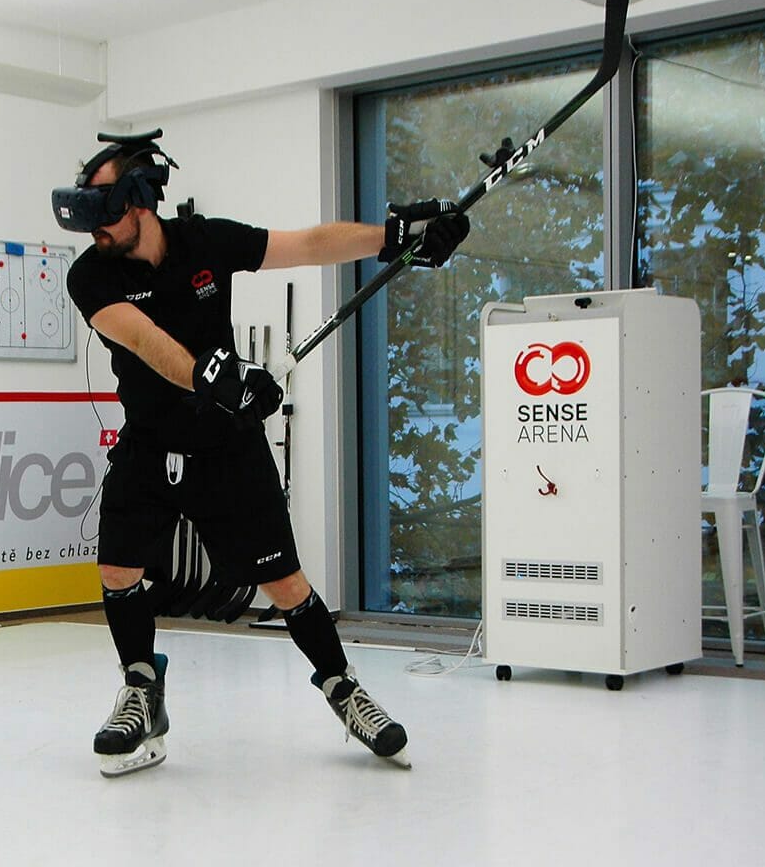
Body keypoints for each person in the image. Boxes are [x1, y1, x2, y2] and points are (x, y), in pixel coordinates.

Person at [51, 128, 469, 778]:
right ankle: (141, 689)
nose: (96, 228)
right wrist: (219, 378)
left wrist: (390, 239)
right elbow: (141, 339)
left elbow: (305, 244)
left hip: (228, 447)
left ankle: (343, 688)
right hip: (151, 442)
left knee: (285, 585)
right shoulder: (90, 275)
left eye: (106, 210)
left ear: (140, 202)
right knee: (116, 571)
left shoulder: (205, 243)